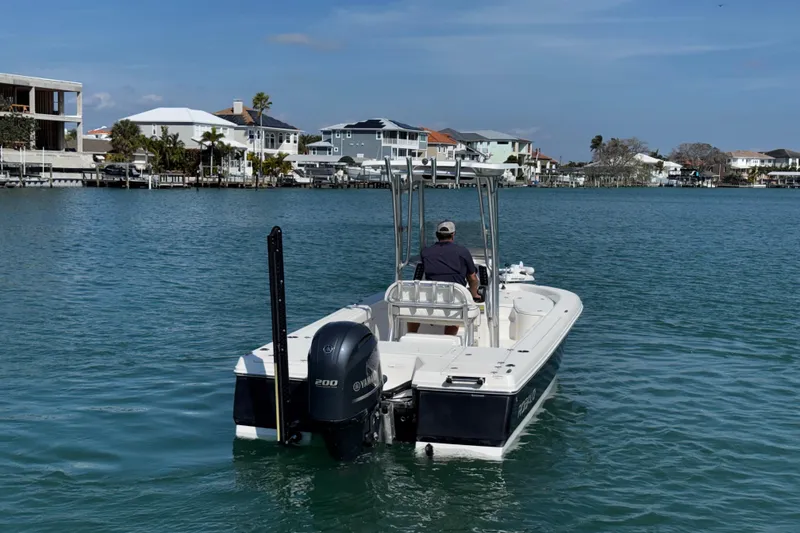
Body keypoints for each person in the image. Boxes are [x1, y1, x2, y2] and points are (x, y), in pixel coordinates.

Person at [407, 220, 481, 336]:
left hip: (431, 298)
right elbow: (472, 278)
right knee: (457, 301)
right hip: (454, 301)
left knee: (415, 305)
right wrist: (474, 293)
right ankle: (449, 337)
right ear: (453, 235)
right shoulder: (462, 252)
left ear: (437, 235)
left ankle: (410, 333)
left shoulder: (425, 252)